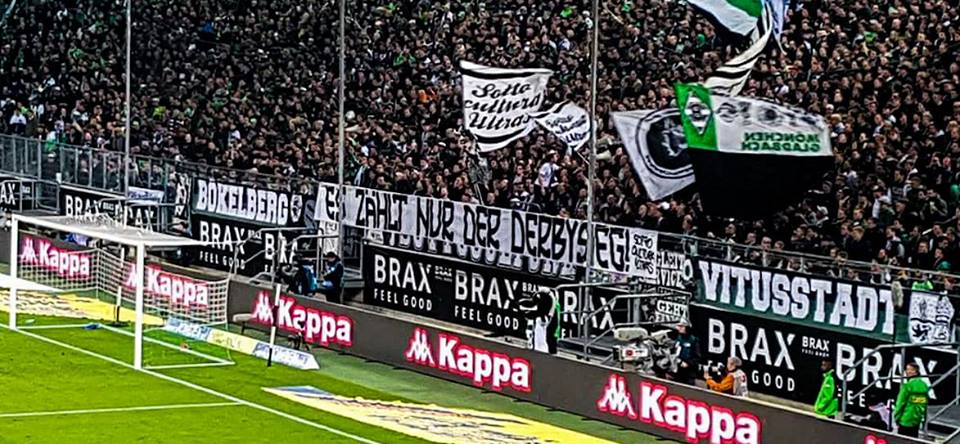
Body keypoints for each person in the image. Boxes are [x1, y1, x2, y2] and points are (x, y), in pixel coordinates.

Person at [894, 362, 929, 438]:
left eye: (910, 369)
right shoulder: (924, 386)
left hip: (905, 420)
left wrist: (896, 418)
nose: (907, 372)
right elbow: (925, 404)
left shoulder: (907, 386)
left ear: (916, 371)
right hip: (917, 420)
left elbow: (900, 404)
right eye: (907, 369)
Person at [667, 320, 700, 385]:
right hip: (677, 369)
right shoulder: (677, 338)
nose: (679, 328)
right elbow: (672, 351)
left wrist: (688, 363)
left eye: (682, 326)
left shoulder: (693, 340)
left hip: (689, 371)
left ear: (687, 328)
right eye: (679, 326)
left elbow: (697, 357)